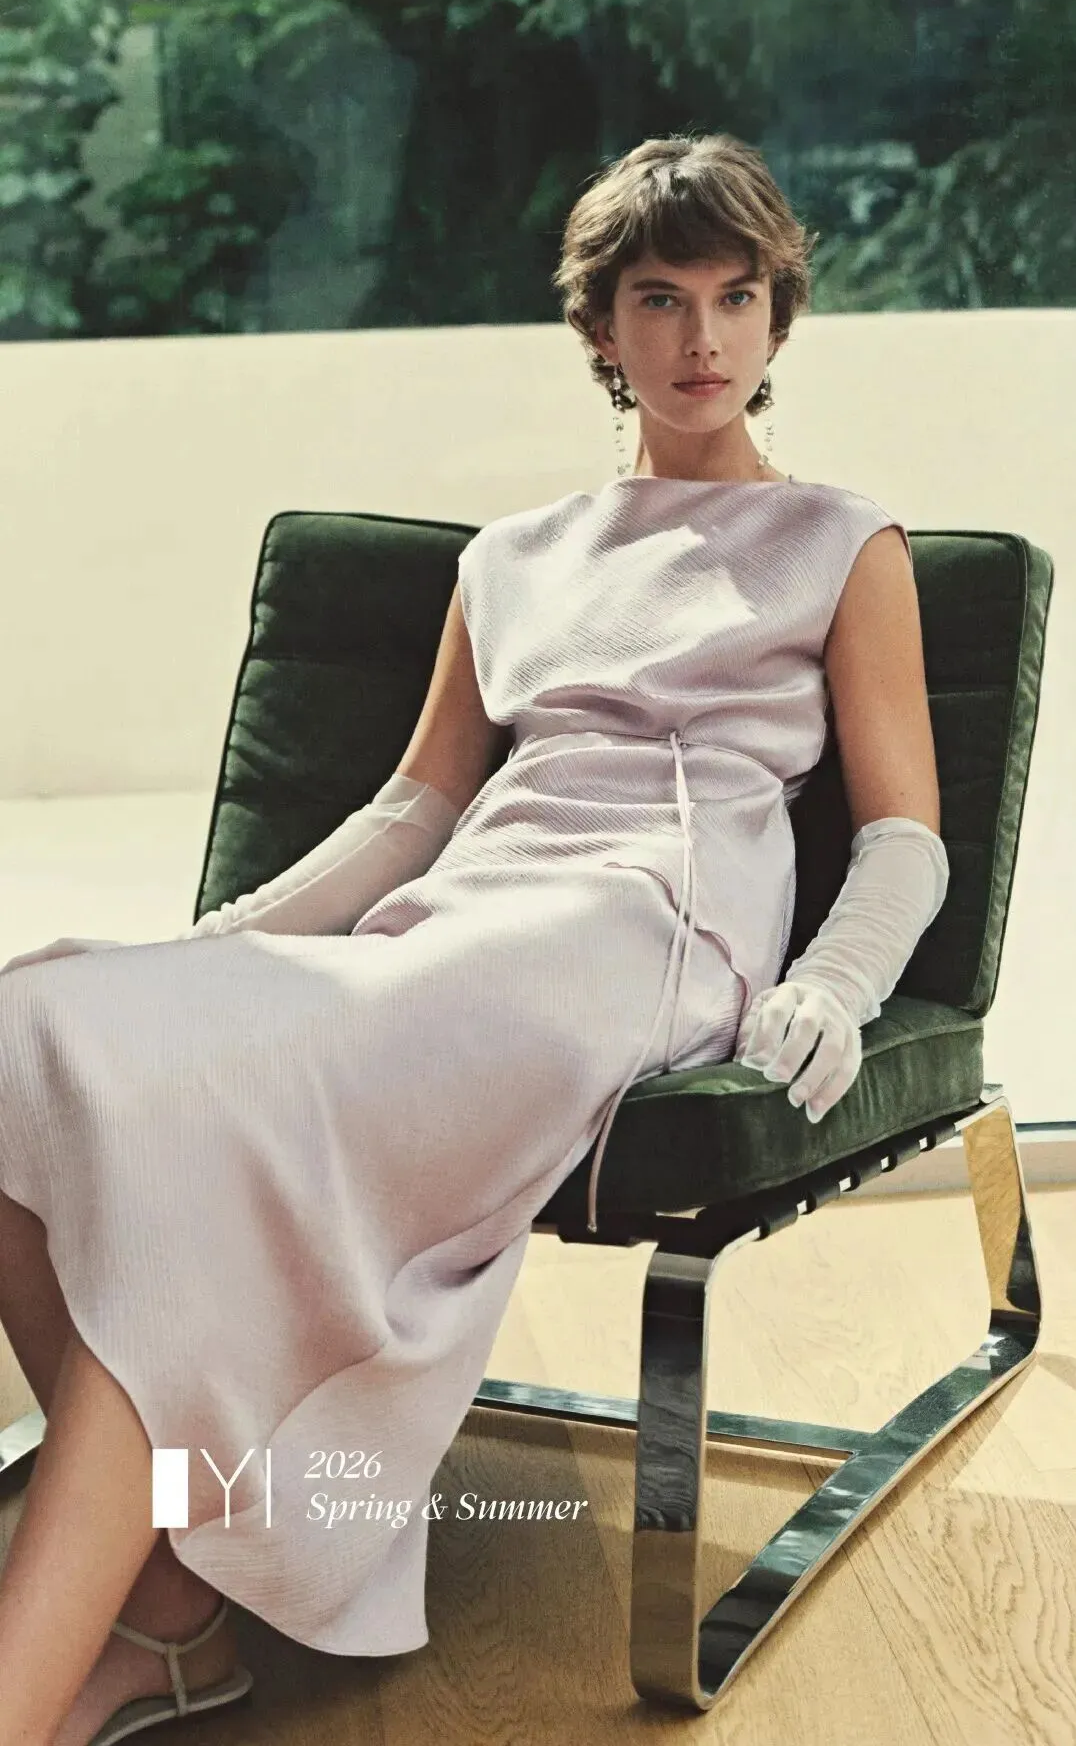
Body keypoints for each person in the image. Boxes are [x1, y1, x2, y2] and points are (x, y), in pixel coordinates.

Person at [0, 130, 948, 1744]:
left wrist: (836, 985)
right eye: (662, 299)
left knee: (209, 1143)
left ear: (780, 315)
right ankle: (164, 1607)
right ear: (603, 327)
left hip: (642, 931)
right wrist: (210, 951)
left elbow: (904, 833)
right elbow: (411, 814)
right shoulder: (509, 558)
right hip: (464, 918)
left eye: (737, 297)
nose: (703, 338)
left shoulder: (845, 543)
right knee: (32, 1029)